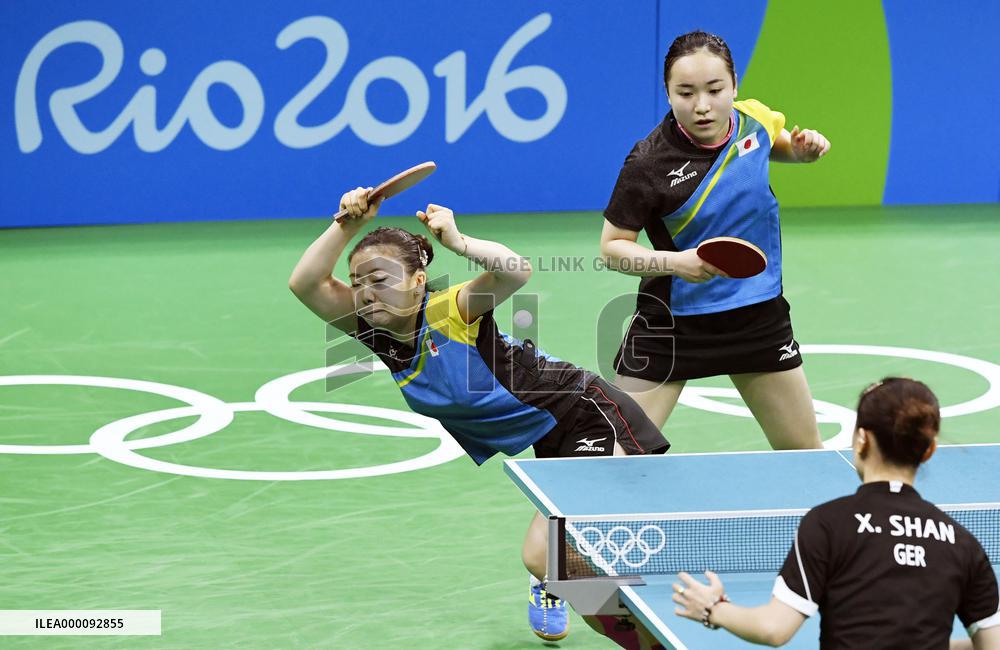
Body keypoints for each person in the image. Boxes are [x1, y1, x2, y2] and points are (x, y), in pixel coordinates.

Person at [288, 187, 670, 644]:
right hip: (550, 439)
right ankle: (644, 640)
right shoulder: (376, 329)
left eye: (381, 279)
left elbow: (516, 271)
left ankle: (642, 622)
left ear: (416, 280)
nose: (367, 293)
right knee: (572, 567)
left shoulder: (451, 311)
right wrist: (346, 225)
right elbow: (306, 284)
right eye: (358, 282)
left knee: (547, 554)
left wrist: (460, 243)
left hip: (587, 413)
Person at [600, 30, 831, 450]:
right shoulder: (648, 162)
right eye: (685, 93)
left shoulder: (755, 121)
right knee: (617, 457)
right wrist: (678, 263)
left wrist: (803, 151)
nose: (702, 106)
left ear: (735, 85)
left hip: (756, 315)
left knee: (804, 455)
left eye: (715, 89)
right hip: (672, 323)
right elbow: (613, 248)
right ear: (668, 93)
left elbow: (772, 148)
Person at [672, 378, 1000, 649]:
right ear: (929, 450)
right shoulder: (961, 542)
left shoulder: (829, 524)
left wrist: (713, 609)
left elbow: (774, 629)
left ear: (861, 440)